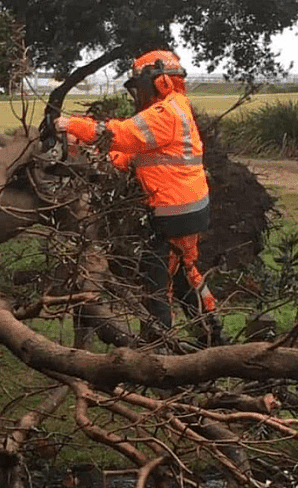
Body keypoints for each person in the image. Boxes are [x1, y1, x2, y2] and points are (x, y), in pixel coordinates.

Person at [55, 49, 226, 346]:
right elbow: (132, 152)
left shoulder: (166, 112)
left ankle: (159, 345)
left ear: (159, 82)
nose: (139, 94)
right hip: (188, 208)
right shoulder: (177, 109)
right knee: (187, 271)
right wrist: (104, 158)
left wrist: (72, 125)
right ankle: (212, 331)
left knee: (156, 278)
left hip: (174, 211)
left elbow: (122, 134)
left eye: (140, 86)